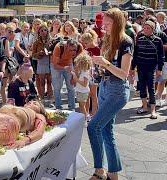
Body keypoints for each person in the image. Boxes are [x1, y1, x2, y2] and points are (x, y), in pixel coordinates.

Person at [87, 8, 134, 180]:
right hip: (105, 87)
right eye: (103, 23)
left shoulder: (126, 41)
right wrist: (97, 66)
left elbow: (123, 73)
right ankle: (113, 174)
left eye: (107, 23)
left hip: (117, 89)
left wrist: (105, 63)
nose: (104, 26)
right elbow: (106, 67)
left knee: (94, 127)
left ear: (117, 23)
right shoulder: (106, 39)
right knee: (106, 131)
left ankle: (99, 171)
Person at [131, 20, 164, 119]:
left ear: (153, 29)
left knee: (151, 88)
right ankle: (145, 107)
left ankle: (153, 111)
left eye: (148, 28)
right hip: (141, 66)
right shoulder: (139, 39)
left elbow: (161, 56)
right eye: (144, 28)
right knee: (141, 86)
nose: (145, 30)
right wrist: (132, 68)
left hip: (151, 67)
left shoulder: (158, 40)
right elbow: (135, 55)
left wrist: (159, 69)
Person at [51, 39, 83, 110]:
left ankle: (72, 107)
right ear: (66, 47)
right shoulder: (59, 47)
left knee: (71, 87)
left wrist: (74, 76)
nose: (73, 52)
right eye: (70, 50)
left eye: (74, 50)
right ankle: (58, 107)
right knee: (57, 87)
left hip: (69, 64)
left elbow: (78, 63)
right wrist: (64, 68)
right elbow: (55, 66)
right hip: (56, 65)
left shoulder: (79, 47)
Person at [81, 30, 101, 116]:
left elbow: (100, 62)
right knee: (87, 94)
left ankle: (94, 113)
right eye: (84, 43)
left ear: (91, 40)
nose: (85, 45)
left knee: (93, 94)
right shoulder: (85, 49)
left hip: (94, 72)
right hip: (86, 71)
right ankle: (87, 114)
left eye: (86, 43)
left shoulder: (97, 49)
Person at [32, 24, 53, 100]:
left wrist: (50, 53)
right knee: (42, 82)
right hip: (40, 62)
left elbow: (55, 52)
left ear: (47, 31)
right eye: (41, 30)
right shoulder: (36, 42)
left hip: (49, 62)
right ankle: (42, 98)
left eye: (45, 30)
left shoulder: (51, 41)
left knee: (49, 82)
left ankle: (50, 98)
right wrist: (39, 54)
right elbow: (33, 55)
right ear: (39, 33)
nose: (43, 32)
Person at [70, 53, 92, 121]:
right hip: (80, 90)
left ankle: (86, 118)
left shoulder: (85, 72)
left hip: (83, 91)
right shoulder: (82, 70)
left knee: (82, 106)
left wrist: (77, 79)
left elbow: (85, 84)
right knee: (81, 106)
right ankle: (84, 117)